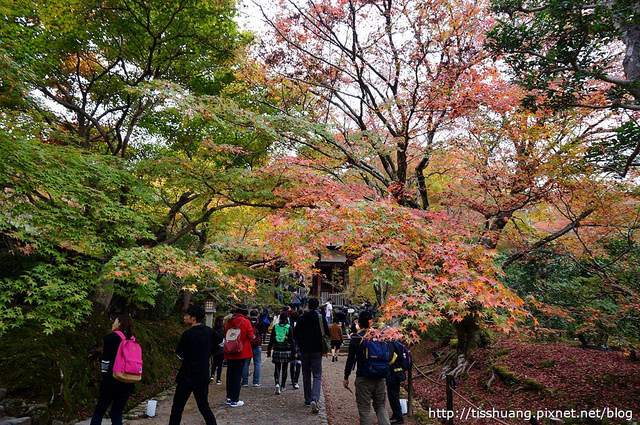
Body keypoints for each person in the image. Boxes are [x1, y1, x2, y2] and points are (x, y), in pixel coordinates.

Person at [169, 305, 221, 425]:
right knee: (204, 407)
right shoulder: (209, 331)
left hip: (186, 375)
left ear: (193, 318)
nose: (184, 317)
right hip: (202, 375)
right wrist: (210, 352)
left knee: (177, 407)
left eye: (186, 315)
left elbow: (179, 355)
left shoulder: (187, 335)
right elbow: (221, 343)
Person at [343, 310, 391, 425]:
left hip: (363, 378)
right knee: (380, 406)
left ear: (358, 323)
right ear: (371, 322)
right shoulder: (379, 337)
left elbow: (350, 360)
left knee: (364, 409)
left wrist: (346, 377)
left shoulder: (356, 338)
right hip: (380, 377)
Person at [90, 314, 136, 425]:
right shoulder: (133, 339)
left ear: (120, 323)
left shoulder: (112, 337)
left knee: (99, 411)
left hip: (112, 379)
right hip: (129, 380)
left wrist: (105, 376)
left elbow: (106, 360)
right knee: (116, 413)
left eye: (114, 321)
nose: (113, 323)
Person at [293, 297, 329, 414]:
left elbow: (295, 333)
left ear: (308, 306)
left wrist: (300, 343)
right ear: (317, 306)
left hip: (304, 350)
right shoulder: (320, 318)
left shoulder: (301, 318)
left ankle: (308, 399)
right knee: (317, 375)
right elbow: (327, 333)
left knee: (306, 374)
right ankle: (315, 398)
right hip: (317, 349)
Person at [223, 305, 253, 407]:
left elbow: (226, 334)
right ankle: (235, 400)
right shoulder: (245, 322)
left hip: (230, 350)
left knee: (230, 374)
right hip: (241, 351)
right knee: (237, 375)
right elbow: (250, 335)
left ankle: (228, 397)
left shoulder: (229, 321)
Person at [267, 311, 294, 394]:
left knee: (277, 367)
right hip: (286, 349)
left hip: (277, 349)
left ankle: (277, 383)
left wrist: (269, 350)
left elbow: (271, 340)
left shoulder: (275, 327)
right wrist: (294, 351)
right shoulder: (289, 327)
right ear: (286, 319)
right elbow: (291, 340)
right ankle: (283, 385)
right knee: (285, 368)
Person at [242, 310, 262, 387]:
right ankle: (256, 382)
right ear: (257, 315)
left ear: (250, 315)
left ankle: (245, 382)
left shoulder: (246, 322)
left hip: (248, 344)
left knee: (246, 364)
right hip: (257, 345)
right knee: (257, 364)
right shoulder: (259, 323)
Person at [289, 310, 301, 390]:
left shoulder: (289, 326)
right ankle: (295, 381)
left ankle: (293, 379)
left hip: (291, 346)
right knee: (298, 364)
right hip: (299, 345)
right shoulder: (300, 325)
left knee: (292, 364)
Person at [211, 315, 225, 385]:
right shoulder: (223, 329)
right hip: (221, 349)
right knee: (220, 364)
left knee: (214, 363)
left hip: (215, 348)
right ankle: (218, 379)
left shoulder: (214, 329)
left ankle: (212, 375)